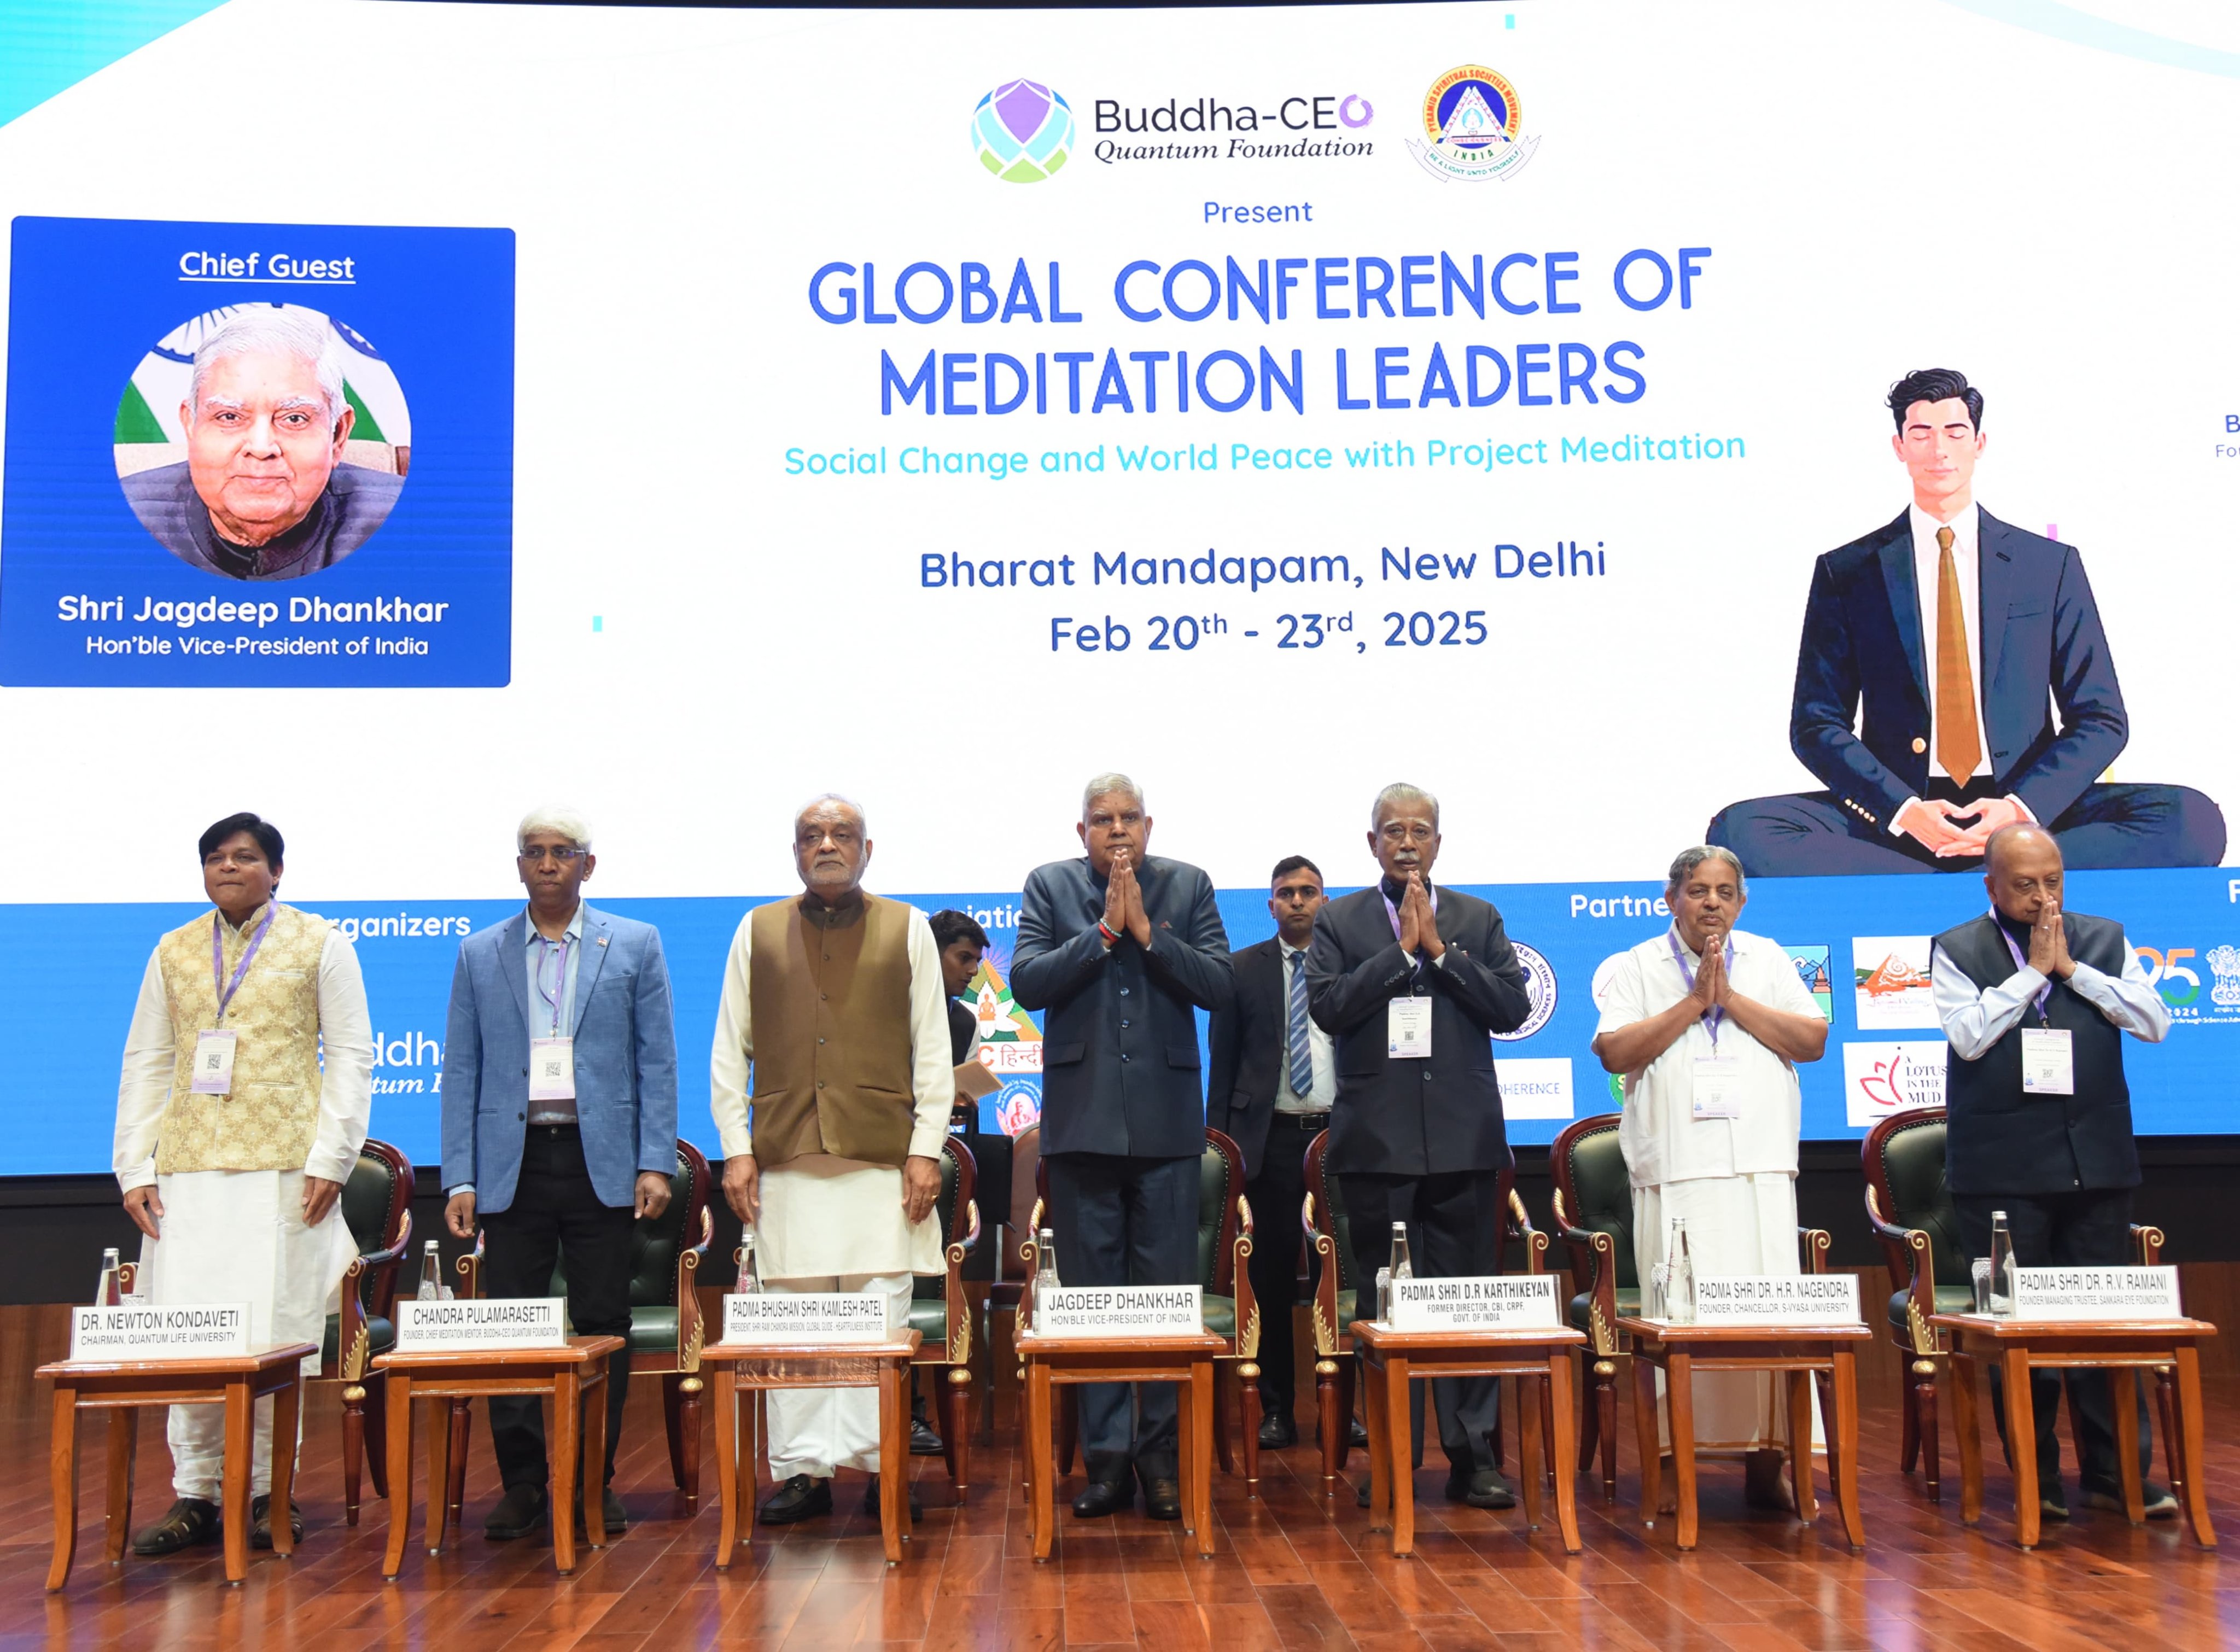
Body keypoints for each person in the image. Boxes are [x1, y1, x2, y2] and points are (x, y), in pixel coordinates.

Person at [1708, 367, 2222, 874]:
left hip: (2025, 807)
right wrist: (1904, 812)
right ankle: (1998, 880)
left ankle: (1989, 870)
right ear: (1899, 447)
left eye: (1955, 432)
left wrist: (2021, 811)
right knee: (1740, 832)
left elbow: (2101, 717)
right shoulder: (1850, 571)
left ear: (1979, 443)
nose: (1939, 450)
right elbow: (1817, 723)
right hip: (1904, 813)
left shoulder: (2047, 565)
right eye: (1921, 434)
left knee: (2191, 820)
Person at [114, 813, 373, 1555]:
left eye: (246, 857)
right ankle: (195, 1493)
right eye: (216, 858)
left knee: (271, 1335)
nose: (229, 868)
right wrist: (135, 1166)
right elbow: (147, 1059)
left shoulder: (321, 943)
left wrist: (331, 1159)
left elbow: (352, 1056)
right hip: (188, 1173)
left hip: (285, 1172)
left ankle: (269, 1493)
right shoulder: (174, 951)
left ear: (277, 870)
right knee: (190, 1339)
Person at [710, 796, 953, 1524]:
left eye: (840, 834)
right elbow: (730, 1051)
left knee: (879, 1321)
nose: (826, 845)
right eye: (811, 835)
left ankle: (883, 1466)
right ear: (794, 851)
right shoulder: (755, 929)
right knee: (795, 1325)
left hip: (882, 1162)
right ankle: (805, 1473)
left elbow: (935, 1050)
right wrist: (734, 1149)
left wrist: (925, 1150)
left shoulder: (908, 926)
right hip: (785, 1160)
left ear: (867, 849)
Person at [439, 808, 679, 1539]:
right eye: (535, 853)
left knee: (603, 1323)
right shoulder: (480, 953)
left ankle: (591, 1479)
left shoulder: (634, 944)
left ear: (588, 865)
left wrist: (654, 1160)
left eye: (563, 853)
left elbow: (657, 1060)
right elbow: (463, 1071)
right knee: (512, 1328)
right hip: (513, 1165)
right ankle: (523, 1485)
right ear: (519, 866)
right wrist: (459, 1178)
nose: (548, 864)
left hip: (598, 1161)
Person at [1932, 823, 2177, 1520]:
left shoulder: (2102, 937)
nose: (2043, 898)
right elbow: (1969, 1036)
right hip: (2002, 1171)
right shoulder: (1956, 949)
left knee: (2102, 1331)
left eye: (2053, 882)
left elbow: (2154, 1022)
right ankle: (2036, 1479)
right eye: (2025, 885)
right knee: (2020, 1331)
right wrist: (2031, 975)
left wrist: (2071, 971)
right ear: (1991, 886)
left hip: (2096, 1163)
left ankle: (2116, 1474)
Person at [1013, 773, 1233, 1521]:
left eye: (1128, 818)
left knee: (1166, 1297)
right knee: (1096, 1301)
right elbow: (1028, 982)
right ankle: (1105, 1462)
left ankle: (1161, 1459)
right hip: (1082, 1127)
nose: (1116, 831)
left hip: (1169, 1127)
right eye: (1101, 820)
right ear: (1082, 833)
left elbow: (1219, 985)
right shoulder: (1049, 886)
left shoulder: (1189, 886)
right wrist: (1103, 934)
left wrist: (1146, 932)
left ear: (1149, 825)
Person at [1307, 783, 1533, 1509]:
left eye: (1421, 830)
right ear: (1371, 843)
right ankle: (1397, 1456)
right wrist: (1398, 954)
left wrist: (1438, 950)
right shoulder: (1339, 921)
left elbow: (1511, 1008)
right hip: (1376, 1145)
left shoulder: (1476, 917)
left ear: (1439, 842)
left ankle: (1474, 1457)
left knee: (1466, 1301)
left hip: (1465, 1142)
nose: (1407, 841)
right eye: (1393, 831)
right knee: (1388, 1302)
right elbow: (1330, 1006)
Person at [1590, 845, 1829, 1507]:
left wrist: (1732, 1000)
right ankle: (1672, 1466)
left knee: (1765, 1324)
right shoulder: (1639, 965)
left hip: (1758, 1169)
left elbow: (1811, 1042)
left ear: (1742, 901)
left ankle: (1768, 1462)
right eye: (1698, 891)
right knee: (1682, 1320)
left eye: (1725, 891)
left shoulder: (1769, 958)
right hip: (1677, 1172)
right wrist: (1695, 1003)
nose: (1712, 903)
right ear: (1671, 899)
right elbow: (1613, 1049)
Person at [1207, 855, 1359, 1450]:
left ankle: (1342, 1407)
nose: (1297, 901)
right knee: (1268, 1279)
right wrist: (1218, 1150)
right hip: (1266, 1141)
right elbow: (1223, 1064)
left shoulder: (1352, 968)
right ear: (1270, 905)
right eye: (1285, 893)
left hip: (1339, 1140)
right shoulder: (1241, 970)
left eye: (1308, 891)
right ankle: (1275, 1407)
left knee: (1340, 1278)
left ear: (1325, 901)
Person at [120, 308, 404, 580]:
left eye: (294, 419)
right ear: (191, 426)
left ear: (338, 434)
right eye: (229, 416)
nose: (261, 447)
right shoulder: (116, 524)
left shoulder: (409, 527)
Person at [908, 907, 991, 1456]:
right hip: (870, 1161)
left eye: (976, 962)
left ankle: (914, 1415)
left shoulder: (962, 1022)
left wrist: (959, 1100)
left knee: (918, 1287)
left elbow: (960, 1121)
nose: (970, 972)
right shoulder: (887, 1004)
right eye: (962, 958)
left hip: (928, 1171)